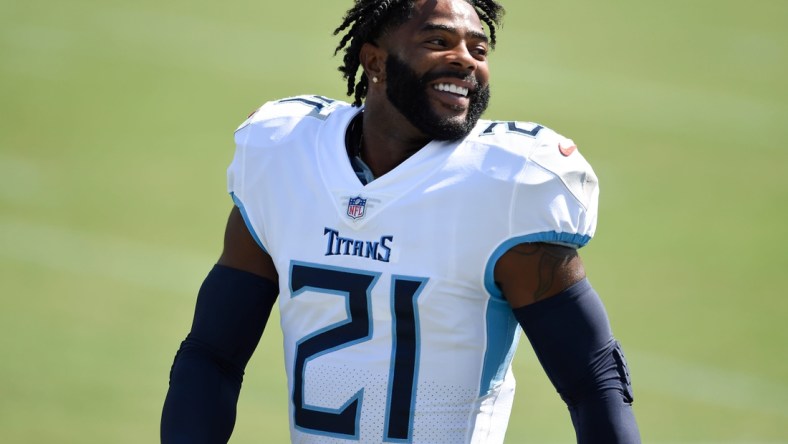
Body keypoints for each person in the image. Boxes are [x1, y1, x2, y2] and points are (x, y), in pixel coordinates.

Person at [161, 0, 641, 442]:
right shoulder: (286, 155)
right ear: (374, 62)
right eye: (438, 42)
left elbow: (593, 382)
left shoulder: (506, 186)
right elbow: (213, 354)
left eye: (478, 48)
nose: (466, 60)